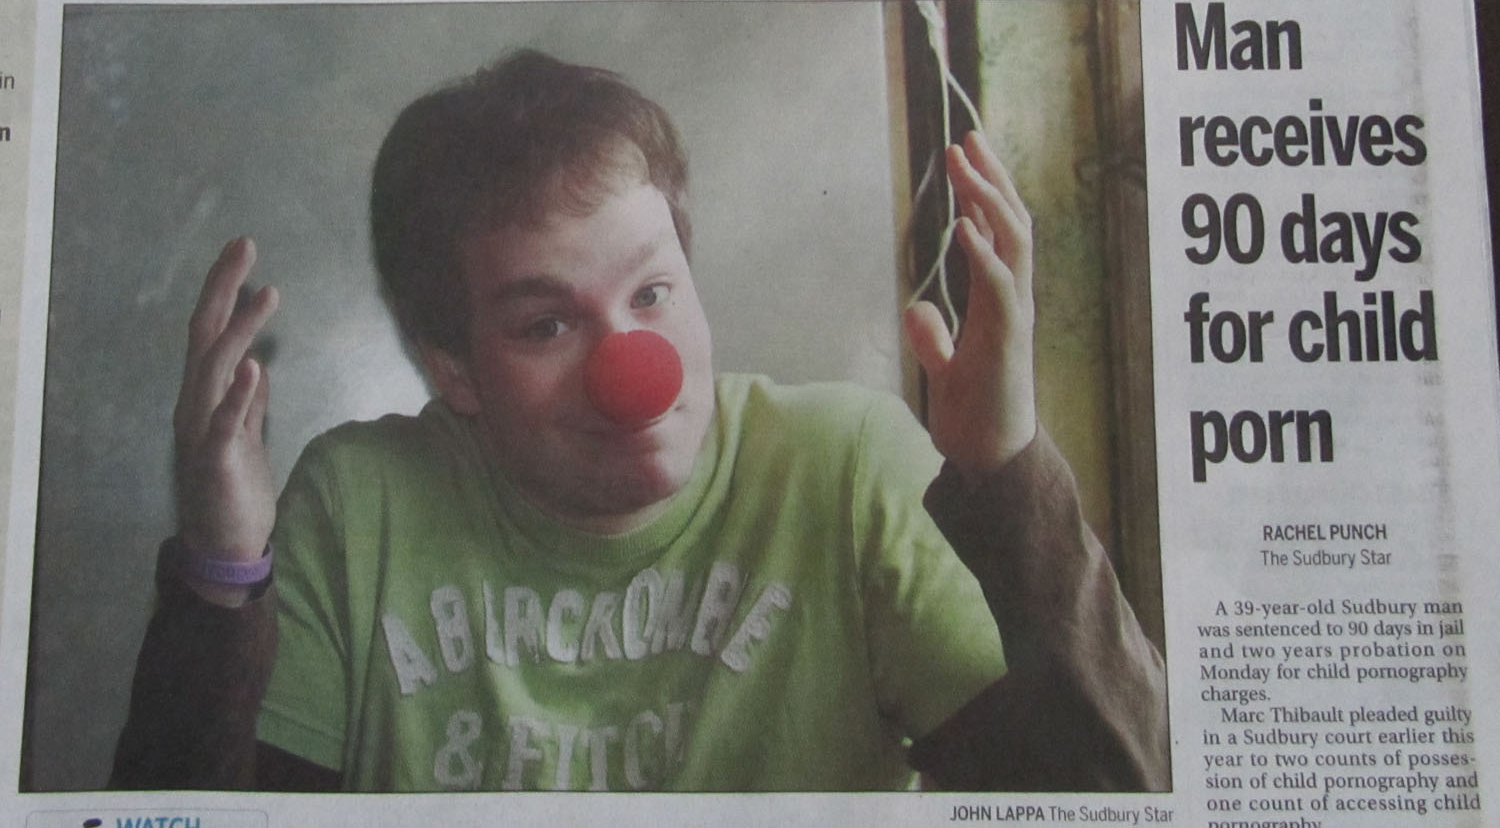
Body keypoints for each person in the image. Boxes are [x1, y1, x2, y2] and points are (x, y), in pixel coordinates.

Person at [111, 50, 1168, 792]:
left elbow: (1125, 793)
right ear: (454, 369)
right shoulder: (357, 506)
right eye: (546, 323)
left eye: (653, 294)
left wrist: (1007, 475)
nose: (633, 372)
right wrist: (219, 577)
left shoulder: (847, 468)